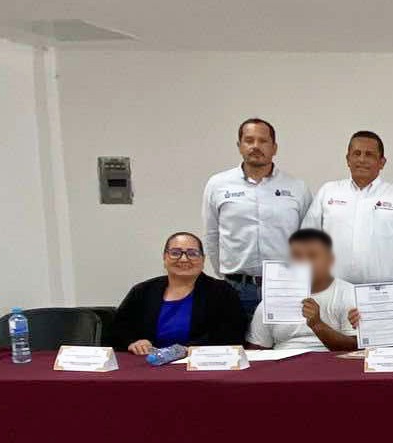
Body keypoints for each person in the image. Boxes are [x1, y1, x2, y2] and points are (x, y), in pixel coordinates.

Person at [201, 117, 312, 317]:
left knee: (284, 339)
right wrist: (227, 274)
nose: (256, 146)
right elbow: (212, 236)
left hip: (283, 288)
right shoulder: (218, 185)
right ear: (239, 146)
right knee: (237, 337)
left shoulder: (297, 187)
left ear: (274, 147)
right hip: (236, 288)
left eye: (263, 141)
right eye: (249, 140)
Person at [302, 131, 393, 285]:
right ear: (348, 159)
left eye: (369, 154)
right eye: (356, 153)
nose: (362, 159)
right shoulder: (328, 192)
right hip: (334, 291)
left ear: (382, 162)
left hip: (387, 292)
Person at [110, 232, 248, 355]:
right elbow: (118, 330)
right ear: (165, 257)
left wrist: (186, 350)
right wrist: (133, 342)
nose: (183, 259)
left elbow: (232, 334)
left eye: (192, 253)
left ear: (203, 260)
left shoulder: (222, 292)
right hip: (149, 364)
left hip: (200, 364)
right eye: (175, 253)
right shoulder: (143, 291)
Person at [245, 229, 357, 351]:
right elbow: (257, 348)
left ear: (329, 260)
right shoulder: (273, 297)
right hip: (284, 359)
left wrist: (317, 325)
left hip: (332, 359)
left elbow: (355, 349)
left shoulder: (349, 294)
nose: (304, 262)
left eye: (312, 255)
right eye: (297, 256)